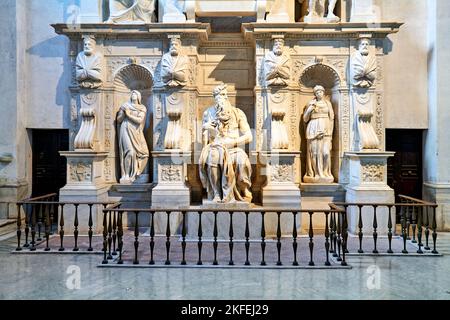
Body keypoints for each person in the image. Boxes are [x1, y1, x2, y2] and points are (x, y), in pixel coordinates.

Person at [199, 84, 253, 203]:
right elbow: (204, 140)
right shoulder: (208, 113)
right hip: (215, 147)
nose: (223, 98)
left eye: (224, 95)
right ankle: (217, 193)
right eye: (220, 95)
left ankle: (243, 188)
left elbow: (249, 136)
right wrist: (205, 128)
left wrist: (232, 143)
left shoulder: (238, 112)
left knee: (241, 160)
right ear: (215, 97)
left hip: (234, 148)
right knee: (213, 157)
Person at [303, 85, 334, 183]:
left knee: (326, 153)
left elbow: (331, 118)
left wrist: (330, 132)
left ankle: (325, 173)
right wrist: (309, 109)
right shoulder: (311, 103)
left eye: (320, 92)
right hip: (313, 128)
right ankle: (316, 173)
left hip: (325, 129)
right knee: (314, 153)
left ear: (323, 92)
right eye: (316, 92)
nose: (318, 94)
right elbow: (305, 119)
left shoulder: (327, 103)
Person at [117, 90, 149, 184]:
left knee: (144, 153)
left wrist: (128, 115)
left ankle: (138, 174)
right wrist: (123, 113)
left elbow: (139, 120)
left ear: (139, 97)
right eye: (132, 93)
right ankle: (126, 174)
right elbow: (119, 120)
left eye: (135, 93)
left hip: (136, 132)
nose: (133, 95)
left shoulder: (142, 107)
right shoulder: (125, 106)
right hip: (125, 129)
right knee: (130, 152)